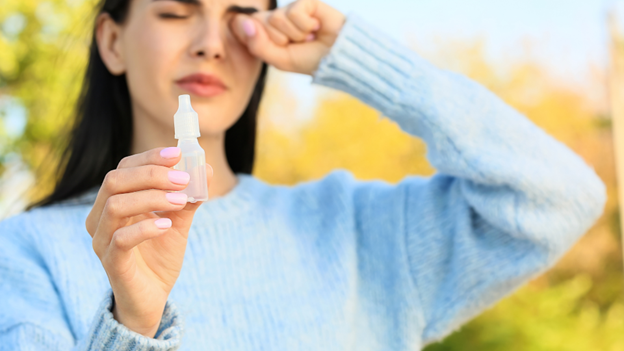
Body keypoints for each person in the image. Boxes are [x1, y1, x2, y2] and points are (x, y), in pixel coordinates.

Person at [0, 0, 606, 349]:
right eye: (177, 10)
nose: (212, 42)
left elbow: (561, 198)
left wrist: (359, 59)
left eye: (239, 15)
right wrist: (135, 322)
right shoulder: (29, 254)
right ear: (111, 40)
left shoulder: (357, 230)